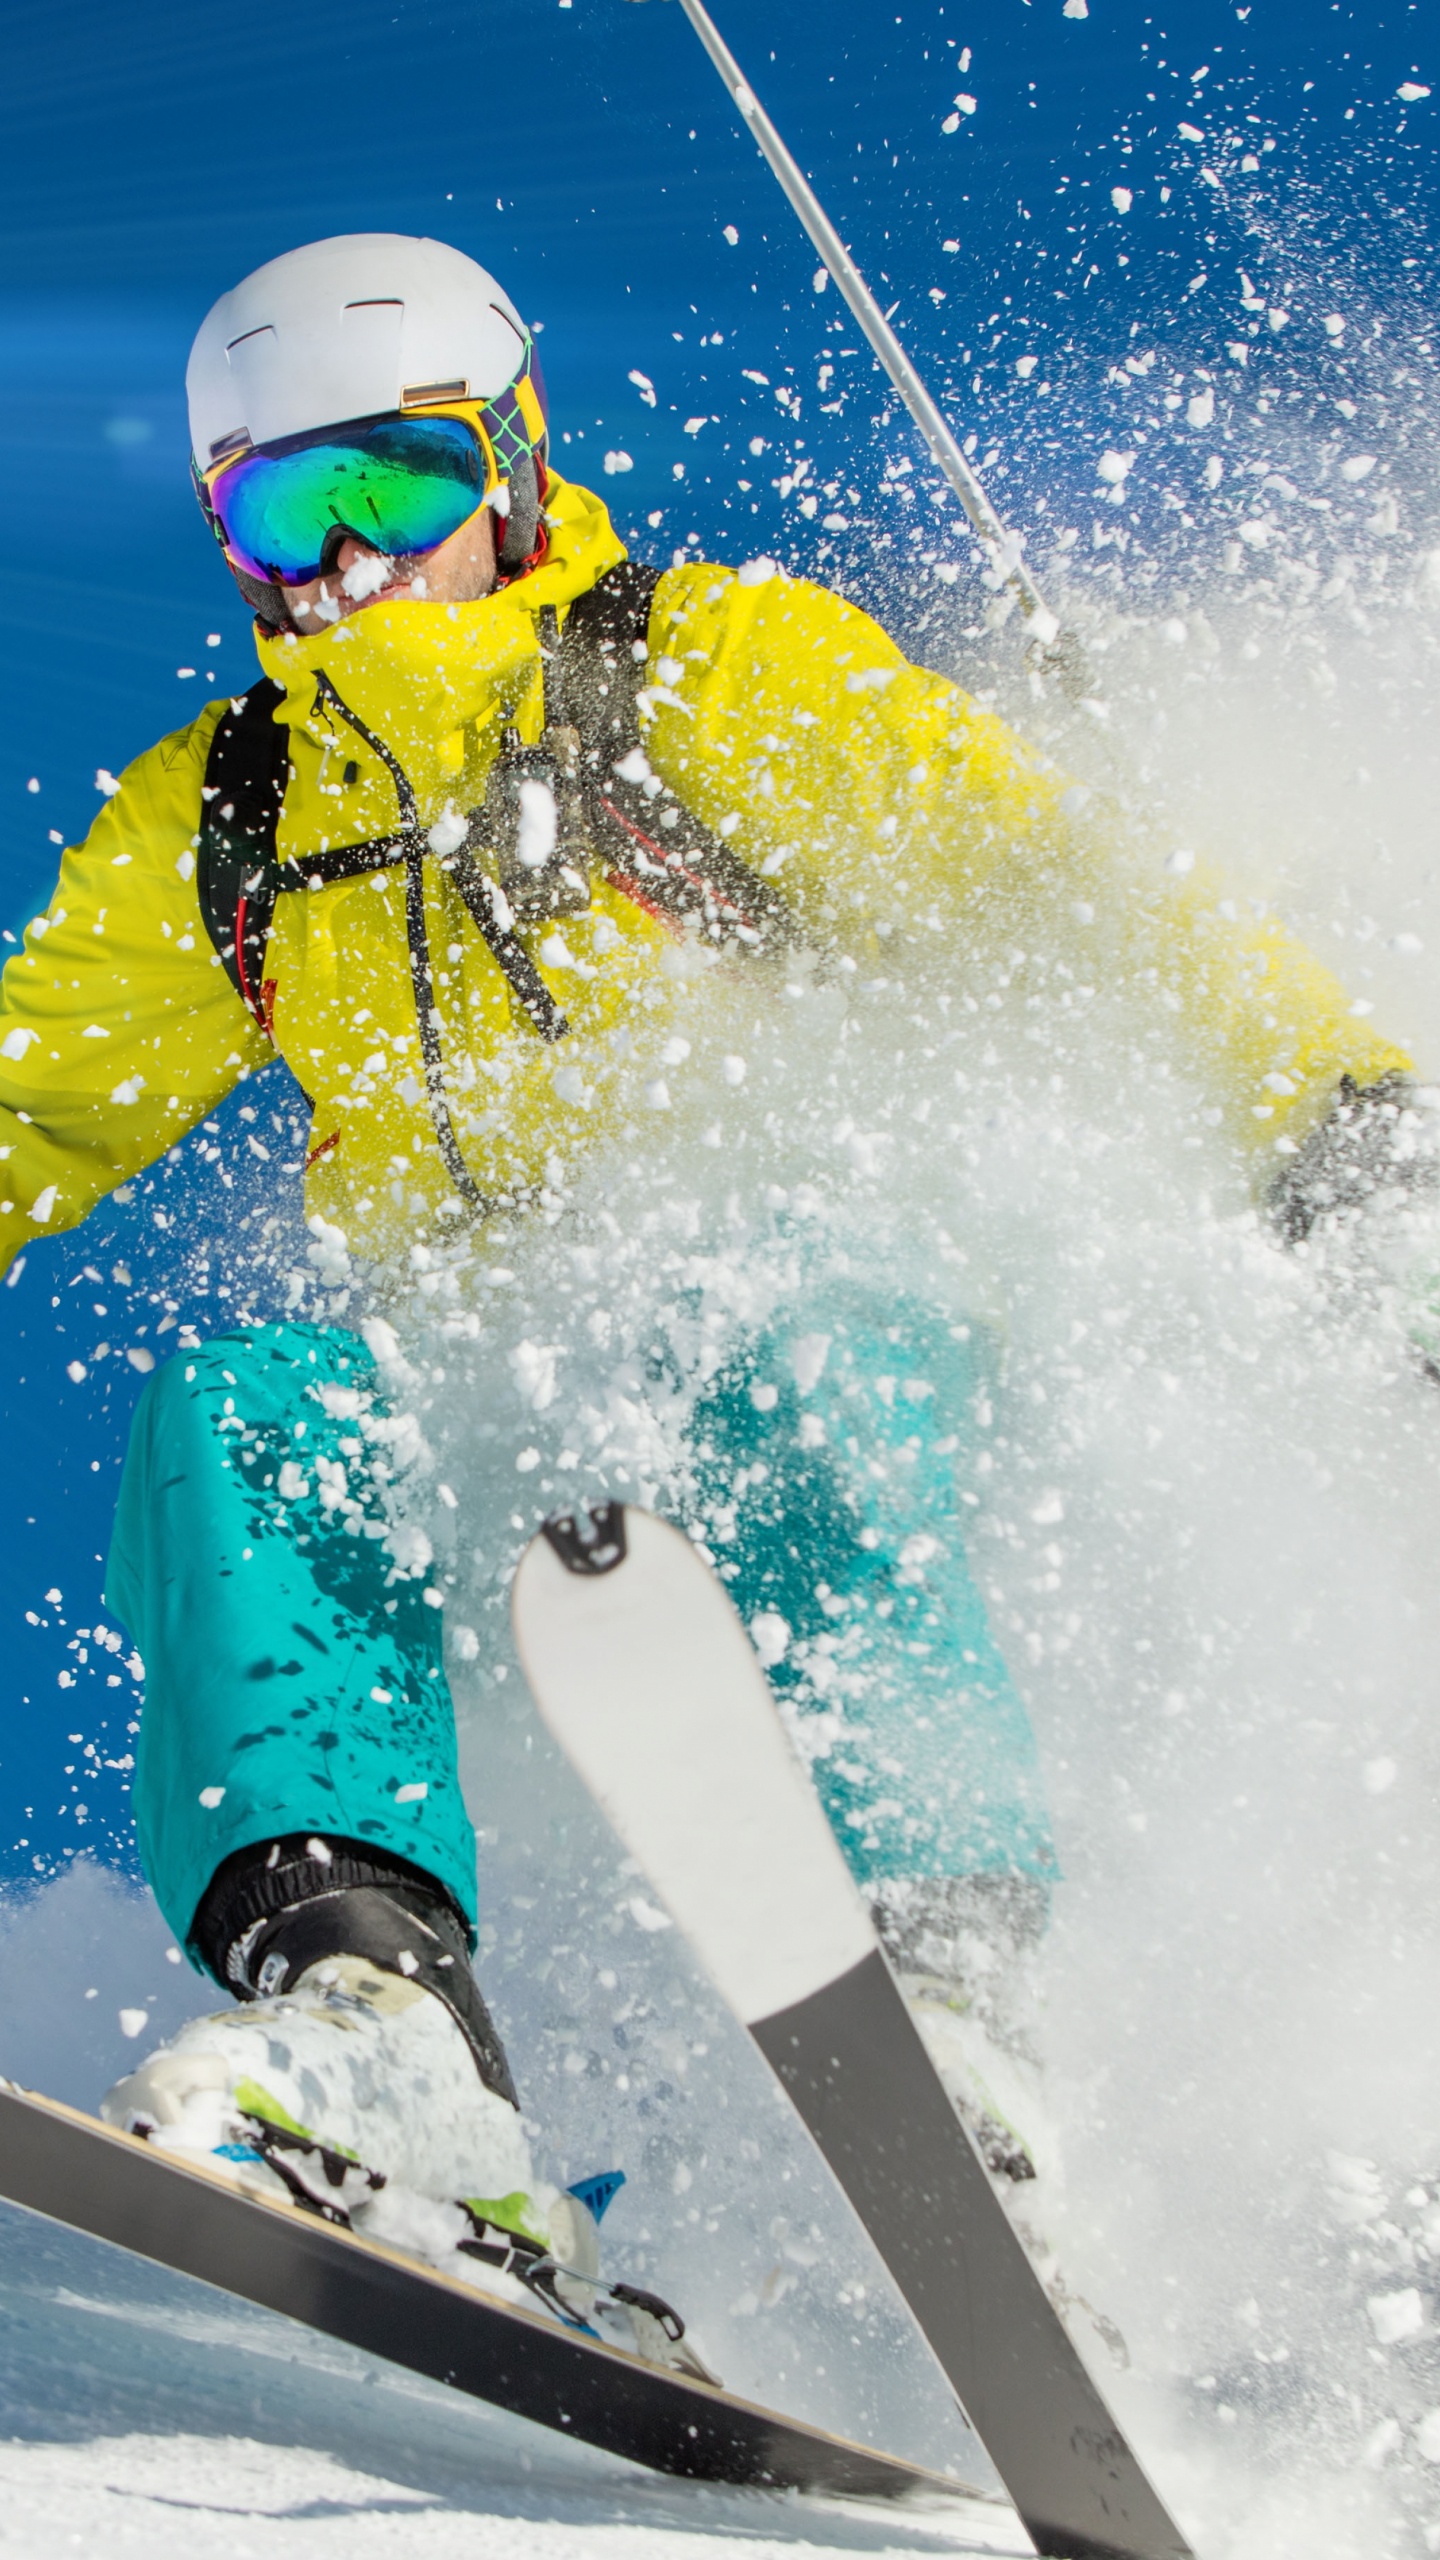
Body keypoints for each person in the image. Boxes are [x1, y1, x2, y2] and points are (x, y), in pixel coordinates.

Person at [0, 234, 1426, 2274]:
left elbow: (1068, 893)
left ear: (503, 463)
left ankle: (950, 1989)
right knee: (244, 1419)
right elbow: (23, 1093)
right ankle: (384, 2027)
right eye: (274, 509)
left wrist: (1347, 1132)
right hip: (510, 1431)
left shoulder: (700, 674)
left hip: (849, 1360)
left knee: (788, 1310)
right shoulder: (237, 808)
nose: (338, 563)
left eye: (385, 487)